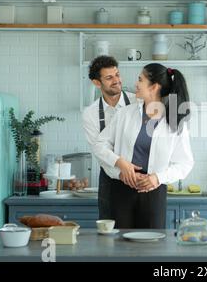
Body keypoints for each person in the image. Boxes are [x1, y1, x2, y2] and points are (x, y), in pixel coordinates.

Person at [93, 63, 194, 228]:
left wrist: (157, 178)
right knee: (120, 246)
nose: (135, 84)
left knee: (152, 247)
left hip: (154, 192)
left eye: (140, 79)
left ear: (153, 87)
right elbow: (100, 145)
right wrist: (120, 164)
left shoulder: (174, 123)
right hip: (121, 189)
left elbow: (185, 164)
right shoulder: (125, 114)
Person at [82, 56, 135, 220]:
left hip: (139, 176)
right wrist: (121, 173)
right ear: (97, 83)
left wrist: (133, 174)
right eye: (109, 77)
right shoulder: (90, 114)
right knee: (110, 237)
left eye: (117, 75)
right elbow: (100, 153)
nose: (116, 80)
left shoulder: (137, 102)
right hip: (110, 181)